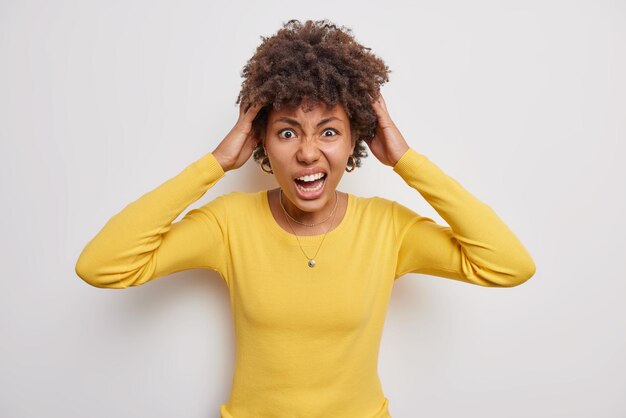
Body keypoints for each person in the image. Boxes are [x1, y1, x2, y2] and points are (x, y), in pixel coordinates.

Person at [75, 19, 536, 418]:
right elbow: (103, 266)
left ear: (356, 138)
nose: (308, 152)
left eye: (330, 131)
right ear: (260, 141)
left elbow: (508, 265)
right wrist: (215, 163)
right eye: (287, 131)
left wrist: (406, 161)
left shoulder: (387, 229)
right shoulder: (229, 224)